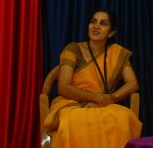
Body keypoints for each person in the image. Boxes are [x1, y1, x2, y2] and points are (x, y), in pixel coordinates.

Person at [43, 9, 141, 148]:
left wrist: (111, 98)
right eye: (93, 22)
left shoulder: (116, 53)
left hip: (103, 104)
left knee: (124, 117)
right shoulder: (73, 49)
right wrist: (96, 97)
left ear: (111, 33)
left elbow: (133, 84)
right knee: (74, 121)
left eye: (103, 23)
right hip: (72, 102)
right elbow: (63, 87)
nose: (96, 26)